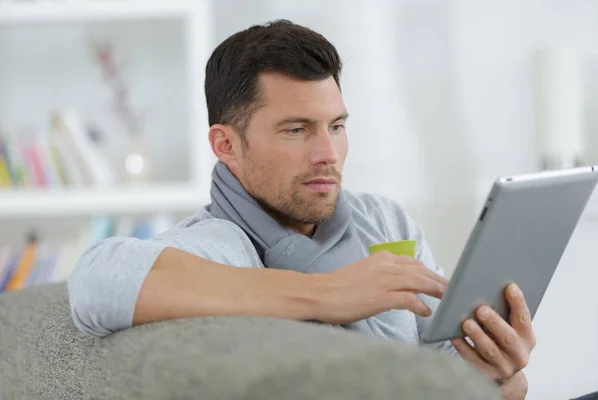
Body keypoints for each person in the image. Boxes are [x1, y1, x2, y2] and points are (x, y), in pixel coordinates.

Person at [68, 20, 534, 399]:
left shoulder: (385, 221)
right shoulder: (219, 246)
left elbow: (444, 371)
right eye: (296, 130)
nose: (327, 153)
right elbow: (95, 279)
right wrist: (327, 293)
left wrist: (498, 378)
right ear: (226, 144)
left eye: (336, 125)